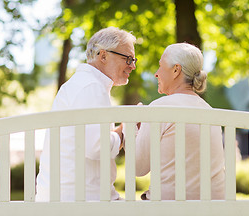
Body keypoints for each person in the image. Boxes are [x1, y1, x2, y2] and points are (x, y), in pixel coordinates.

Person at [36, 27, 137, 201]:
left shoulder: (85, 84)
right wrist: (126, 129)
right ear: (103, 56)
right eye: (128, 58)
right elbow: (98, 146)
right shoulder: (91, 87)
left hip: (70, 196)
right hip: (80, 200)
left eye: (134, 60)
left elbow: (91, 141)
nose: (133, 65)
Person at [135, 43, 225, 200]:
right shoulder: (210, 112)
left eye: (160, 66)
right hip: (213, 208)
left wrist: (131, 130)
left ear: (176, 70)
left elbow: (137, 168)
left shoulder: (159, 107)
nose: (156, 74)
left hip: (169, 209)